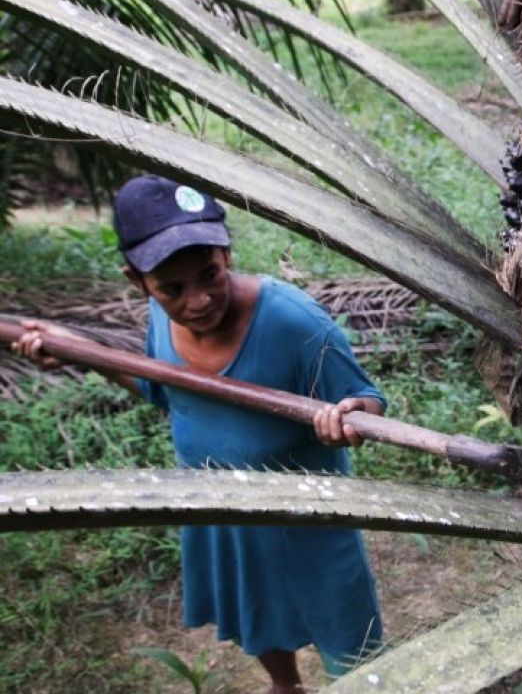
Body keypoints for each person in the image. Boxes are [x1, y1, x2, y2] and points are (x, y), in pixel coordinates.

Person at [13, 175, 384, 694]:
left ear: (226, 253)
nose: (199, 300)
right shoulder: (160, 321)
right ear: (137, 281)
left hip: (308, 524)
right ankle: (286, 686)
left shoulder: (295, 324)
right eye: (173, 289)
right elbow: (165, 389)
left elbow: (367, 401)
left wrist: (348, 415)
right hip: (221, 515)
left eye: (209, 274)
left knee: (350, 638)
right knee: (256, 614)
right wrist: (78, 351)